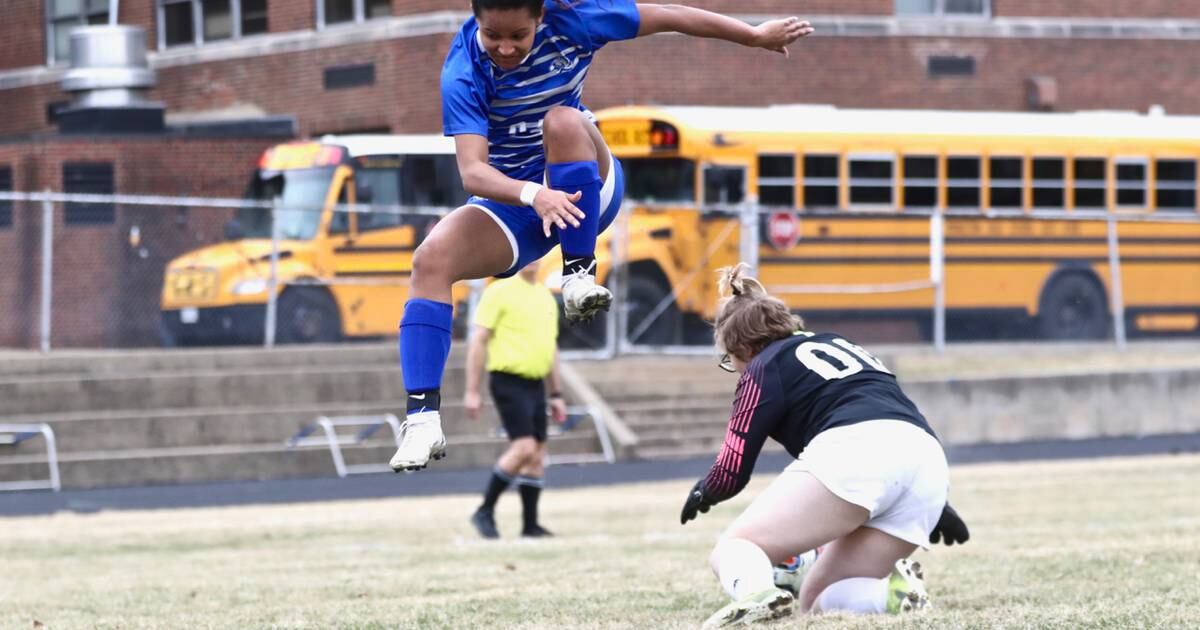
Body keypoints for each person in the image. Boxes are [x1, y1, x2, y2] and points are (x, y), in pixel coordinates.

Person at [389, 0, 815, 471]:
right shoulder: (463, 70)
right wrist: (534, 195)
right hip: (519, 198)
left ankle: (579, 273)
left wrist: (752, 35)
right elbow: (473, 172)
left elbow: (671, 17)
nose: (505, 48)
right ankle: (422, 419)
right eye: (494, 36)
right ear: (477, 20)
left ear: (540, 19)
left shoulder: (577, 19)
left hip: (586, 186)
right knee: (430, 260)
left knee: (563, 119)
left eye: (518, 36)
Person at [679, 264, 969, 628]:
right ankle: (891, 594)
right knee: (816, 599)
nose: (734, 367)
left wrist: (705, 491)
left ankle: (757, 594)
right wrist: (938, 505)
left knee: (734, 548)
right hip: (927, 461)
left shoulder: (763, 365)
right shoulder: (838, 344)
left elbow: (733, 467)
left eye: (730, 359)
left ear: (744, 347)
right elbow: (889, 413)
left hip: (855, 449)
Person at [463, 261, 567, 538]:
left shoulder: (545, 296)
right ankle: (484, 509)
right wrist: (472, 390)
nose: (533, 259)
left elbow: (551, 347)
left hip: (536, 383)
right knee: (524, 447)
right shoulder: (498, 291)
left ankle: (530, 525)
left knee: (537, 454)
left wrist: (556, 393)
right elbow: (479, 340)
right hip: (508, 379)